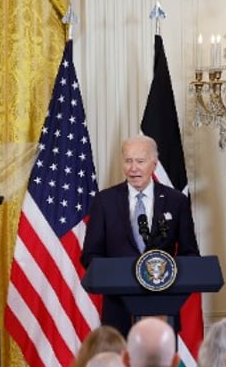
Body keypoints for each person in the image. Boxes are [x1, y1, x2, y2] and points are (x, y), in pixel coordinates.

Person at [80, 135, 200, 336]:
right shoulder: (105, 201)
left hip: (162, 308)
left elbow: (190, 253)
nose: (133, 168)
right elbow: (90, 255)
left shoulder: (175, 201)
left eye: (140, 161)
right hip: (118, 312)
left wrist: (167, 278)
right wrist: (115, 275)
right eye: (128, 161)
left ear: (154, 163)